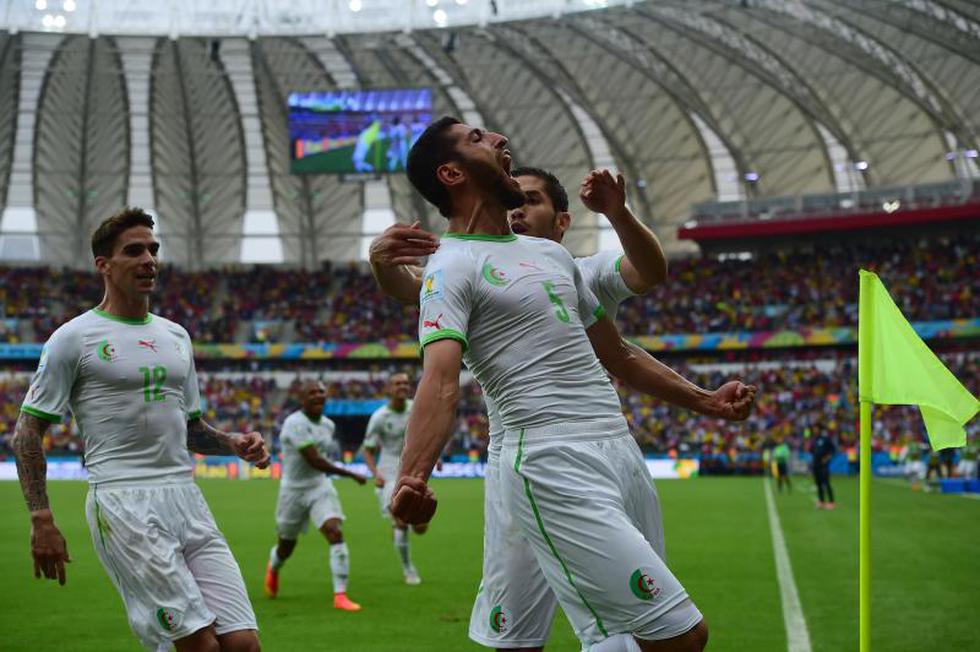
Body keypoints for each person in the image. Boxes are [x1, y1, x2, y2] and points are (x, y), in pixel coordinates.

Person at [387, 116, 757, 652]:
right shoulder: (451, 267)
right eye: (477, 139)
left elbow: (618, 353)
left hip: (617, 448)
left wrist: (706, 401)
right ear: (451, 173)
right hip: (547, 456)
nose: (499, 139)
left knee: (570, 639)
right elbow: (441, 381)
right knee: (679, 634)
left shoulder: (553, 255)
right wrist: (413, 476)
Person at [12, 207, 269, 652]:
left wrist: (234, 444)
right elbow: (27, 432)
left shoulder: (176, 336)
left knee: (243, 644)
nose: (149, 259)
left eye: (153, 249)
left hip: (186, 496)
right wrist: (41, 518)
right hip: (123, 501)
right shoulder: (73, 338)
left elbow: (191, 429)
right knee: (200, 647)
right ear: (104, 265)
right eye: (134, 251)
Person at [264, 380, 368, 611]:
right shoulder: (294, 423)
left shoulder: (328, 425)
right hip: (293, 490)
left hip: (319, 486)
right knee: (286, 546)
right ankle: (274, 565)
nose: (318, 395)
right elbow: (315, 460)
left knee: (335, 532)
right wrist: (351, 474)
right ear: (302, 399)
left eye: (321, 392)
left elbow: (321, 460)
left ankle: (340, 595)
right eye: (312, 392)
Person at [361, 372, 425, 585]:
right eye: (397, 383)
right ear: (389, 388)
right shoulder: (379, 417)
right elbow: (367, 449)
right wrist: (376, 474)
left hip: (413, 471)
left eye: (405, 383)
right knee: (401, 521)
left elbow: (427, 434)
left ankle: (402, 526)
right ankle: (408, 569)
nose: (402, 386)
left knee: (421, 527)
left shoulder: (416, 409)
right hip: (388, 474)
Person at [811, 428, 836, 509]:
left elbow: (833, 450)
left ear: (819, 429)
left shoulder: (825, 439)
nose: (814, 430)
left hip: (823, 466)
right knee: (818, 484)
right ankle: (821, 501)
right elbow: (812, 451)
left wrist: (827, 458)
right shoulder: (815, 440)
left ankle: (831, 502)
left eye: (816, 428)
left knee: (826, 483)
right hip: (816, 465)